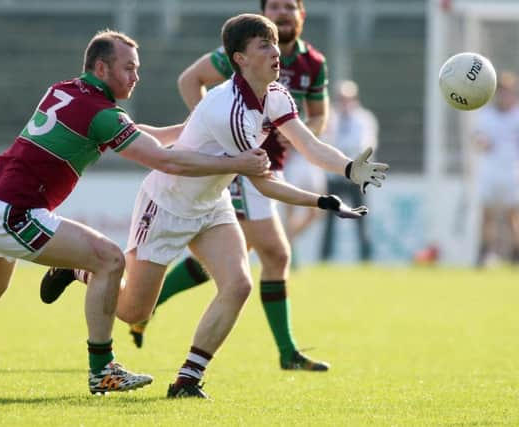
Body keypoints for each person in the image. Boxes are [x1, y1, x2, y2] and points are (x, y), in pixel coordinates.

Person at [0, 29, 271, 394]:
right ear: (101, 69)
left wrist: (192, 130)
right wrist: (237, 162)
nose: (136, 76)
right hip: (15, 212)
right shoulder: (102, 113)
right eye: (128, 68)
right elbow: (165, 162)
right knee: (109, 260)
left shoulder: (66, 90)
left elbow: (137, 133)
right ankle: (103, 370)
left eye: (137, 68)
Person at [41, 14, 388, 399]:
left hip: (212, 203)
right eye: (265, 46)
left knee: (238, 285)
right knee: (133, 312)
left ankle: (188, 379)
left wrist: (351, 167)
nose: (277, 53)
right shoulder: (230, 111)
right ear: (239, 58)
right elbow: (264, 183)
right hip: (167, 204)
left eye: (275, 44)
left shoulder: (274, 95)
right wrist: (323, 201)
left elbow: (309, 145)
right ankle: (77, 270)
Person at [126, 0, 332, 371]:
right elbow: (190, 79)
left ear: (302, 14)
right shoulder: (236, 56)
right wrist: (206, 129)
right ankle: (286, 352)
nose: (283, 13)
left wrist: (301, 136)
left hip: (261, 167)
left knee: (242, 265)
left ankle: (188, 362)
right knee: (275, 254)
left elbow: (318, 120)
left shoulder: (311, 63)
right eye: (275, 7)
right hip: (238, 170)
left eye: (290, 6)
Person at [320, 80, 378, 262]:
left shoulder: (364, 119)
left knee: (360, 217)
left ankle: (366, 256)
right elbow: (325, 143)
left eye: (348, 98)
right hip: (335, 175)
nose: (345, 102)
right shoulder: (331, 119)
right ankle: (325, 257)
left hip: (355, 176)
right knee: (329, 220)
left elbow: (366, 145)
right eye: (341, 99)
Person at [473, 71, 519, 266]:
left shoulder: (517, 115)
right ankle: (484, 253)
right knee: (487, 215)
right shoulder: (486, 115)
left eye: (507, 91)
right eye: (501, 91)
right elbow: (476, 138)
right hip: (489, 171)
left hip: (512, 172)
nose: (504, 95)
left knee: (513, 216)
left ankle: (516, 254)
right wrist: (481, 142)